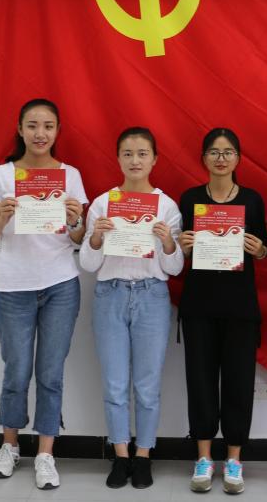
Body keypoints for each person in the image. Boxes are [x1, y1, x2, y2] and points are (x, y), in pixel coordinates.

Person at [0, 99, 87, 490]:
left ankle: (45, 453)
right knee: (17, 371)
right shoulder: (3, 175)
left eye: (48, 126)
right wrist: (4, 216)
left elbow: (79, 237)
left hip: (60, 285)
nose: (40, 133)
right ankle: (9, 446)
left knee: (51, 374)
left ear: (57, 131)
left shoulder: (70, 175)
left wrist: (74, 220)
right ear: (20, 129)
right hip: (13, 287)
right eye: (33, 125)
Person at [79, 127, 184, 490]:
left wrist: (168, 242)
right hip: (110, 295)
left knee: (148, 384)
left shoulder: (166, 206)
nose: (135, 160)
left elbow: (174, 268)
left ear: (154, 159)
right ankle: (120, 454)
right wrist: (96, 236)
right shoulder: (103, 204)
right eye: (128, 153)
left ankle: (144, 455)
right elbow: (89, 264)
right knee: (114, 383)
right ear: (118, 158)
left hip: (152, 297)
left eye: (142, 153)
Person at [177, 128, 267, 495]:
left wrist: (259, 248)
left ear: (238, 158)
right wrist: (183, 246)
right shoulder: (190, 199)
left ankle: (233, 459)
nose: (221, 158)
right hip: (199, 305)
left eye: (228, 152)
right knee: (199, 382)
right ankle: (203, 458)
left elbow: (264, 250)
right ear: (203, 158)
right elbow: (180, 252)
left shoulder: (252, 200)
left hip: (240, 307)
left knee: (238, 384)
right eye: (214, 152)